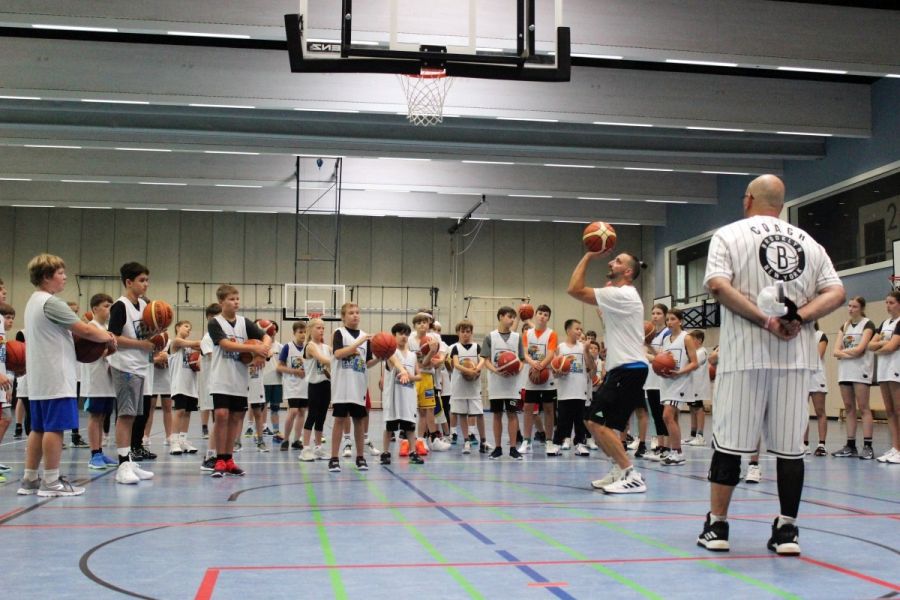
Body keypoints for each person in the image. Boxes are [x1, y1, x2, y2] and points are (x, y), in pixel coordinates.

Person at [697, 174, 844, 555]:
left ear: (748, 199)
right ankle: (787, 530)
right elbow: (836, 292)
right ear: (781, 204)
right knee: (790, 449)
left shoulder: (728, 235)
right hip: (795, 359)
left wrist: (767, 322)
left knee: (729, 443)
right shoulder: (809, 242)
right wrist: (799, 318)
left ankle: (718, 525)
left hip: (744, 357)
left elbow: (718, 284)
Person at [17, 254, 117, 496]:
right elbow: (85, 330)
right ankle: (51, 482)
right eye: (60, 273)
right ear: (46, 276)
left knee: (38, 428)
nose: (64, 277)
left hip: (40, 377)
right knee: (55, 428)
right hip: (56, 376)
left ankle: (30, 479)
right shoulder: (52, 302)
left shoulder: (33, 301)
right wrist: (108, 337)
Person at [568, 250, 650, 493]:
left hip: (629, 368)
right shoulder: (620, 296)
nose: (611, 262)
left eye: (618, 261)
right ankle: (619, 469)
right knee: (592, 422)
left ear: (628, 271)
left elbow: (574, 289)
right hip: (621, 369)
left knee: (597, 423)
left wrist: (587, 256)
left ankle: (631, 474)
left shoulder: (623, 294)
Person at [207, 284, 270, 477]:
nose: (236, 302)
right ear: (221, 302)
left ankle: (229, 459)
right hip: (221, 377)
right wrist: (252, 348)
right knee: (221, 415)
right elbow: (226, 345)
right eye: (231, 299)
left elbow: (266, 337)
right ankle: (219, 459)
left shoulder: (245, 322)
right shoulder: (215, 322)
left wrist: (262, 351)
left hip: (240, 379)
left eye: (237, 299)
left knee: (236, 418)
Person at [106, 262, 157, 485]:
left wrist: (157, 335)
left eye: (147, 280)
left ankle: (129, 461)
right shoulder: (120, 306)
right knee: (125, 416)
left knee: (134, 416)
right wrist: (142, 344)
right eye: (141, 280)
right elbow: (113, 337)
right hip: (124, 366)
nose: (146, 284)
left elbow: (146, 335)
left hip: (139, 366)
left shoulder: (144, 305)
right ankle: (123, 465)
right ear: (128, 282)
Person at [329, 302, 380, 472]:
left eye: (357, 312)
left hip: (358, 386)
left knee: (359, 421)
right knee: (339, 420)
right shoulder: (339, 333)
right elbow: (338, 354)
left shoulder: (365, 337)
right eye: (351, 313)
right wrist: (357, 344)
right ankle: (334, 458)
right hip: (342, 386)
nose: (355, 315)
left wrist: (380, 358)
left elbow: (367, 362)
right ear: (343, 317)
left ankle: (360, 457)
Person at [832, 296, 876, 459]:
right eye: (849, 306)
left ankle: (868, 446)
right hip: (845, 371)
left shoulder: (868, 324)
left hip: (861, 371)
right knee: (849, 407)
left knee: (863, 408)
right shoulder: (844, 326)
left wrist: (843, 353)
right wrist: (849, 352)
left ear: (862, 308)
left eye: (854, 306)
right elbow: (835, 351)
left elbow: (861, 349)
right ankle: (850, 446)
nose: (850, 309)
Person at [481, 306, 525, 460]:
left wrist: (517, 370)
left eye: (513, 317)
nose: (512, 320)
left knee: (512, 414)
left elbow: (522, 360)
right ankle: (498, 448)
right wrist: (496, 370)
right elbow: (485, 360)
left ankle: (513, 448)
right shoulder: (490, 337)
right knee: (497, 415)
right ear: (500, 317)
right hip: (496, 383)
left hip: (512, 384)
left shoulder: (517, 337)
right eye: (509, 316)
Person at [81, 294, 118, 470]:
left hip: (107, 378)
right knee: (95, 416)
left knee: (103, 416)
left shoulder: (106, 328)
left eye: (111, 305)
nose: (109, 309)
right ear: (95, 309)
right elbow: (87, 353)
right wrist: (108, 350)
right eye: (106, 306)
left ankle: (100, 452)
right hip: (95, 378)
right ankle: (94, 454)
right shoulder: (91, 328)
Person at [658, 308, 699, 466]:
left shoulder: (686, 338)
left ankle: (678, 452)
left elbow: (694, 363)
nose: (669, 322)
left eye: (673, 319)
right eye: (667, 319)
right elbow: (660, 359)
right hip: (667, 382)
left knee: (667, 416)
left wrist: (679, 372)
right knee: (672, 418)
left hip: (680, 381)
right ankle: (675, 452)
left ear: (680, 321)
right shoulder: (666, 340)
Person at [380, 322, 423, 465]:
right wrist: (403, 371)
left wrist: (409, 376)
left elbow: (419, 376)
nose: (404, 336)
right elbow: (392, 363)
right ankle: (385, 453)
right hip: (393, 397)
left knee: (410, 427)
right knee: (389, 427)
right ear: (394, 336)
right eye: (401, 333)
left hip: (408, 396)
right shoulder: (391, 353)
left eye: (406, 334)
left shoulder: (412, 355)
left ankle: (413, 452)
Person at [520, 304, 559, 456]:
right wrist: (534, 365)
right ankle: (526, 441)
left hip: (547, 376)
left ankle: (549, 442)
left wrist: (540, 366)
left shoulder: (552, 334)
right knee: (528, 408)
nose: (542, 316)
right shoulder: (527, 334)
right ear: (535, 315)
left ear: (548, 318)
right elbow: (524, 354)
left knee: (549, 409)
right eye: (540, 313)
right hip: (531, 376)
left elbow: (551, 354)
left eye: (546, 315)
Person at [553, 318, 594, 456]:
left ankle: (580, 444)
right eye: (577, 329)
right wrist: (558, 371)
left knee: (579, 421)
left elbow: (591, 366)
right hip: (564, 391)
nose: (580, 331)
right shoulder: (560, 348)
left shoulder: (583, 347)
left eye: (581, 329)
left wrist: (587, 351)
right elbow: (554, 371)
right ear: (568, 330)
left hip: (580, 390)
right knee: (563, 421)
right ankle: (557, 443)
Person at [867, 292, 900, 464]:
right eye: (886, 302)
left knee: (898, 409)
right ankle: (895, 447)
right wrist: (882, 344)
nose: (888, 305)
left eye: (891, 302)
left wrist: (879, 348)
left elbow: (892, 346)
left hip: (896, 368)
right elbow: (870, 344)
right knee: (890, 411)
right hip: (884, 370)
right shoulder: (885, 323)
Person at [448, 319, 487, 454]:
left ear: (471, 333)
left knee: (479, 414)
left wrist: (477, 368)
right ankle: (466, 441)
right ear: (458, 333)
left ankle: (483, 441)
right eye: (463, 331)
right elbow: (456, 364)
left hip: (474, 387)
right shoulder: (455, 348)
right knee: (462, 414)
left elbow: (482, 359)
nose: (465, 334)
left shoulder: (477, 347)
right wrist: (470, 371)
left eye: (468, 331)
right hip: (459, 386)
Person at [639, 304, 670, 460]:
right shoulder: (650, 335)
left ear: (665, 316)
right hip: (650, 380)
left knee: (664, 415)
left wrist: (648, 355)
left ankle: (667, 448)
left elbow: (664, 359)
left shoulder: (667, 334)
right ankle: (660, 446)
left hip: (662, 380)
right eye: (653, 313)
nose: (655, 316)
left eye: (658, 313)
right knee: (656, 415)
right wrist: (647, 346)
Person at [298, 318, 332, 462]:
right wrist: (340, 359)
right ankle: (305, 449)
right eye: (318, 328)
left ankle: (318, 448)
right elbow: (324, 360)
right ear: (310, 330)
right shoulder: (310, 346)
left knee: (321, 418)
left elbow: (328, 366)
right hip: (314, 385)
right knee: (312, 416)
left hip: (326, 385)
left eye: (323, 328)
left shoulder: (326, 347)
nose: (321, 330)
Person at [168, 320, 200, 456]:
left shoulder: (190, 348)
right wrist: (202, 343)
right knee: (179, 411)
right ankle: (174, 441)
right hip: (179, 383)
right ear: (177, 327)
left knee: (187, 412)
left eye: (190, 328)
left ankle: (183, 440)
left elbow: (201, 350)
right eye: (186, 326)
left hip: (191, 384)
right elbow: (197, 344)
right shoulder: (175, 343)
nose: (188, 329)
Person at [277, 321, 308, 451]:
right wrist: (294, 371)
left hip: (305, 385)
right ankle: (285, 439)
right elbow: (279, 367)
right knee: (293, 411)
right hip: (292, 384)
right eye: (300, 332)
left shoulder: (308, 347)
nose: (303, 335)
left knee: (302, 411)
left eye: (305, 332)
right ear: (294, 333)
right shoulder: (288, 347)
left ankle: (296, 440)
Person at [198, 303, 221, 471]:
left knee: (221, 420)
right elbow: (216, 358)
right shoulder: (207, 338)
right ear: (208, 319)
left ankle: (219, 455)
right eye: (214, 317)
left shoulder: (222, 337)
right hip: (211, 384)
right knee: (218, 420)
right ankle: (210, 456)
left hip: (222, 383)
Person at [683, 330, 710, 447]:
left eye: (692, 339)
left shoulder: (701, 352)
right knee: (692, 409)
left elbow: (689, 363)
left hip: (698, 385)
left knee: (698, 409)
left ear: (699, 340)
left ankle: (700, 436)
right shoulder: (695, 352)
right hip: (691, 385)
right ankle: (693, 435)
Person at [806, 323, 829, 455]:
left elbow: (818, 356)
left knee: (820, 410)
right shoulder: (798, 337)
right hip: (803, 377)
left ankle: (821, 445)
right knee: (802, 412)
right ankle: (804, 444)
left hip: (817, 377)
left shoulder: (820, 336)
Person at [260, 321, 284, 442]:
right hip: (263, 381)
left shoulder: (280, 347)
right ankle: (260, 431)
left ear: (276, 331)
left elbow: (283, 363)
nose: (271, 330)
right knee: (261, 408)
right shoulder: (261, 345)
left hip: (277, 381)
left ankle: (276, 432)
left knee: (275, 408)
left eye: (274, 328)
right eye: (269, 328)